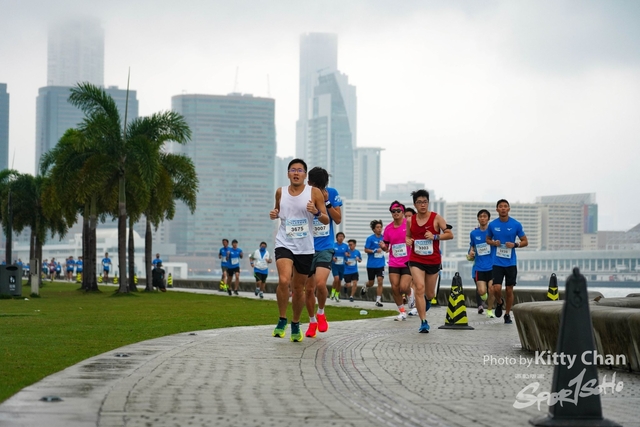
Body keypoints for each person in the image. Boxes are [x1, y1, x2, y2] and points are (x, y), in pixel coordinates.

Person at [270, 158, 328, 342]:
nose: (296, 173)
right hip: (284, 242)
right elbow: (278, 210)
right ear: (288, 173)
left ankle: (295, 323)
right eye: (293, 170)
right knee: (284, 279)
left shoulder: (315, 192)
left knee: (298, 288)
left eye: (300, 170)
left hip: (304, 247)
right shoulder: (281, 191)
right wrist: (274, 213)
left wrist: (317, 212)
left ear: (305, 175)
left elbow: (326, 219)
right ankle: (282, 319)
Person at [406, 189, 454, 333]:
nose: (422, 205)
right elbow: (408, 236)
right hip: (416, 258)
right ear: (415, 204)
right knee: (419, 288)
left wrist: (435, 237)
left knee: (430, 294)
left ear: (428, 203)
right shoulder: (410, 220)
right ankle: (424, 322)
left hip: (433, 260)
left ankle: (427, 301)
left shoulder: (436, 218)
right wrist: (408, 241)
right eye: (419, 202)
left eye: (425, 202)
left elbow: (450, 234)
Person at [304, 167, 342, 338]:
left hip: (326, 246)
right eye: (314, 185)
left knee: (320, 284)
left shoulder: (332, 193)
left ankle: (321, 312)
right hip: (306, 248)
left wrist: (326, 203)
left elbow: (338, 219)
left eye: (321, 186)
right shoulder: (304, 195)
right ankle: (312, 321)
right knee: (309, 289)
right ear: (309, 183)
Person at [486, 199, 528, 324]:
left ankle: (508, 314)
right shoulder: (493, 225)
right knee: (496, 288)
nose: (503, 208)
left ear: (509, 209)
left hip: (511, 262)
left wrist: (515, 244)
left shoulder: (516, 224)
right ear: (497, 209)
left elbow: (525, 241)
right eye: (500, 206)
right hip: (497, 262)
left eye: (505, 206)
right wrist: (494, 243)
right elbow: (487, 239)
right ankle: (499, 302)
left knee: (509, 289)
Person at [380, 201, 413, 321]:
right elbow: (386, 247)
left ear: (403, 212)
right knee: (395, 287)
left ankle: (410, 293)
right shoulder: (388, 228)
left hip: (408, 260)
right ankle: (402, 311)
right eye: (393, 211)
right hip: (394, 261)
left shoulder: (408, 224)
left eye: (398, 211)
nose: (396, 213)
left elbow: (416, 238)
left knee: (403, 287)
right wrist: (383, 246)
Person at [468, 209, 496, 318]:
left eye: (485, 216)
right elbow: (472, 247)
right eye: (481, 216)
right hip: (479, 267)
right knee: (482, 291)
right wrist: (470, 253)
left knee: (492, 288)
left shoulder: (493, 232)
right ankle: (485, 298)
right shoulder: (474, 233)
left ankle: (489, 310)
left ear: (488, 219)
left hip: (492, 266)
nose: (483, 218)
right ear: (478, 219)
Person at [361, 219, 386, 307]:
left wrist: (385, 249)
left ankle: (378, 300)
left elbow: (386, 248)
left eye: (380, 227)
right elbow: (365, 249)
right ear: (374, 229)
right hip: (371, 264)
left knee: (380, 281)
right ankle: (365, 285)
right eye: (377, 227)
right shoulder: (370, 238)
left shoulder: (384, 238)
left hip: (381, 264)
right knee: (371, 283)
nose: (379, 229)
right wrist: (374, 250)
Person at [331, 232, 348, 301]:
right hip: (334, 264)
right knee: (336, 279)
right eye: (339, 236)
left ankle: (337, 295)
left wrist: (347, 259)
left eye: (342, 236)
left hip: (342, 265)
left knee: (339, 281)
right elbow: (330, 253)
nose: (341, 238)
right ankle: (332, 292)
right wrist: (332, 258)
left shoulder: (345, 246)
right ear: (337, 238)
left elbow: (346, 255)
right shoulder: (333, 245)